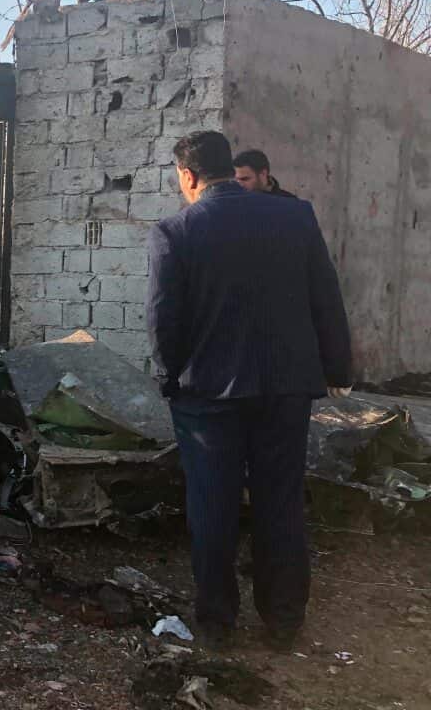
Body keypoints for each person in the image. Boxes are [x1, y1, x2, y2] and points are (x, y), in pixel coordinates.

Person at [147, 131, 352, 652]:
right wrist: (337, 367)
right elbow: (325, 297)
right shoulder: (294, 217)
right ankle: (284, 621)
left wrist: (168, 377)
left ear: (189, 176)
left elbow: (163, 319)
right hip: (286, 387)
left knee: (212, 505)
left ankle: (217, 622)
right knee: (280, 501)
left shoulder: (177, 229)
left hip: (208, 395)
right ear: (228, 167)